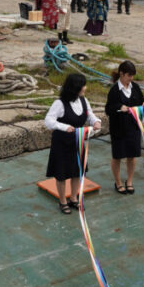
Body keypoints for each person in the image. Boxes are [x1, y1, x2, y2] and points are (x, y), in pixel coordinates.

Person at [44, 73, 101, 214]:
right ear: (76, 87)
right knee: (62, 173)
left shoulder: (83, 101)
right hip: (62, 143)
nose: (85, 88)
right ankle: (63, 201)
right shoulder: (59, 103)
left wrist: (96, 121)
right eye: (83, 85)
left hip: (77, 142)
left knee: (77, 172)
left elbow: (90, 115)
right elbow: (49, 121)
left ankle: (74, 198)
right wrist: (64, 127)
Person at [105, 60, 144, 194]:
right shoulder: (114, 90)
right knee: (117, 156)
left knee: (132, 155)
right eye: (128, 76)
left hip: (133, 127)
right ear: (121, 74)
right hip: (118, 128)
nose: (130, 79)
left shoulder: (135, 87)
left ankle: (129, 181)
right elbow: (108, 109)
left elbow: (142, 100)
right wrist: (119, 107)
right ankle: (118, 181)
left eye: (132, 76)